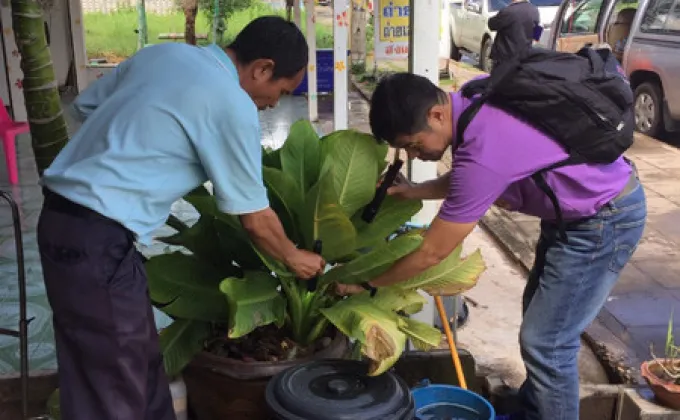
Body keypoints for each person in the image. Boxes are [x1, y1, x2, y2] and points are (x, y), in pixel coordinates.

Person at [37, 16, 325, 420]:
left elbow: (88, 106)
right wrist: (296, 258)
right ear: (262, 68)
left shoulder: (162, 54)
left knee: (135, 366)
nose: (276, 102)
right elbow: (255, 218)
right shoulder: (231, 102)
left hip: (70, 227)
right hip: (95, 240)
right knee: (114, 389)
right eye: (281, 90)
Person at [338, 72, 646, 420]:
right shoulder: (474, 97)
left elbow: (432, 251)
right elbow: (475, 178)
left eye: (412, 143)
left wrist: (368, 284)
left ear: (436, 115)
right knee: (541, 324)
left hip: (604, 220)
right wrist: (412, 192)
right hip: (574, 215)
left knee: (548, 342)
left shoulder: (483, 146)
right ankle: (534, 409)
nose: (413, 154)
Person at [488, 0, 540, 66]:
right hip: (524, 57)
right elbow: (537, 31)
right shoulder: (534, 10)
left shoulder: (508, 11)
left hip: (505, 57)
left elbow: (492, 25)